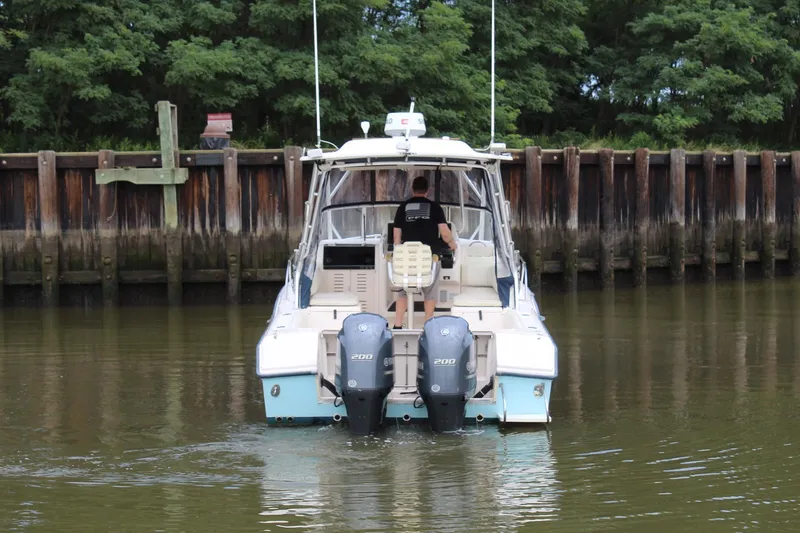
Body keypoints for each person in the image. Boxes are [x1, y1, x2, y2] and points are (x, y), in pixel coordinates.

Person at [391, 176, 457, 329]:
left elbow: (396, 237)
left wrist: (398, 254)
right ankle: (427, 325)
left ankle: (398, 325)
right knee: (430, 292)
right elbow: (445, 233)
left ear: (412, 189)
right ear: (428, 190)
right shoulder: (435, 207)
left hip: (407, 258)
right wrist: (452, 244)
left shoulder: (403, 207)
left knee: (403, 291)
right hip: (429, 258)